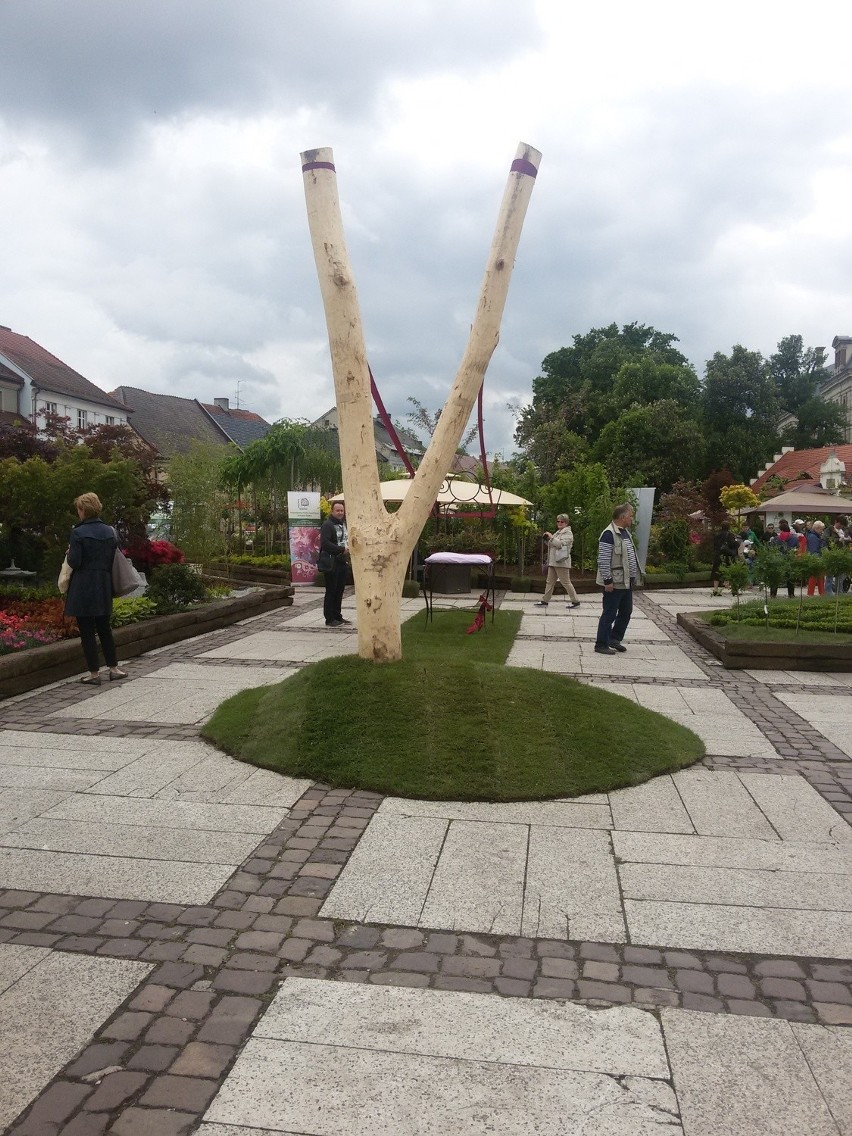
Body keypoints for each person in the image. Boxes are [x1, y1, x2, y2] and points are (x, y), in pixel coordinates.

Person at [64, 492, 128, 685]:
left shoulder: (78, 533)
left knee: (86, 630)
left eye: (79, 510)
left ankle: (94, 674)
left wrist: (68, 553)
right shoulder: (110, 531)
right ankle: (114, 668)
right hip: (103, 583)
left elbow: (75, 561)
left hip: (83, 584)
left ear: (83, 510)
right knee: (104, 627)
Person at [595, 503, 640, 655]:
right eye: (630, 516)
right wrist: (608, 581)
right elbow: (603, 559)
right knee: (609, 613)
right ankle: (601, 644)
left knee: (626, 612)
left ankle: (614, 639)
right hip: (615, 583)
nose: (631, 518)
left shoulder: (625, 532)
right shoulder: (609, 534)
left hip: (626, 582)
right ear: (622, 517)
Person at [534, 514, 581, 609]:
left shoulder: (568, 533)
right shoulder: (558, 532)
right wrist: (546, 539)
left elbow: (560, 545)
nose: (559, 523)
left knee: (566, 582)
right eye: (558, 521)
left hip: (561, 562)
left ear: (566, 523)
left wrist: (551, 537)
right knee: (549, 582)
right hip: (553, 562)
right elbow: (551, 545)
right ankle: (545, 600)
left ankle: (575, 601)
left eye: (562, 521)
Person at [319, 501, 350, 628]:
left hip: (342, 561)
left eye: (342, 510)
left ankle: (337, 615)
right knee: (331, 590)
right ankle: (329, 618)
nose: (340, 513)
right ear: (332, 511)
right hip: (332, 562)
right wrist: (341, 549)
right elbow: (325, 543)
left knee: (340, 590)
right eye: (337, 510)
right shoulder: (328, 525)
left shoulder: (343, 525)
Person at [768, 520, 797, 598]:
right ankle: (791, 594)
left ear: (781, 530)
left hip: (778, 560)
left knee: (776, 577)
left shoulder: (776, 539)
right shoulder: (794, 538)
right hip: (790, 559)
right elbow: (797, 548)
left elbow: (772, 550)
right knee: (790, 577)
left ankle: (773, 594)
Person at [711, 522, 739, 589]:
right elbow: (732, 544)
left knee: (716, 572)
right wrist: (737, 543)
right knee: (730, 571)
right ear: (728, 527)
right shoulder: (730, 535)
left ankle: (715, 589)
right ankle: (733, 589)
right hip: (727, 556)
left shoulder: (717, 535)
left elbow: (715, 546)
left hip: (718, 556)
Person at [806, 520, 827, 596]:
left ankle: (821, 593)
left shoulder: (815, 536)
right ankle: (811, 594)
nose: (822, 531)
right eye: (821, 529)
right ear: (817, 528)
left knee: (820, 577)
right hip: (816, 559)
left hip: (817, 558)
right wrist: (818, 559)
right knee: (814, 577)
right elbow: (813, 550)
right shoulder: (813, 537)